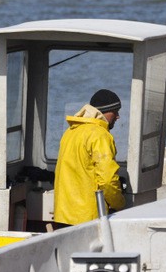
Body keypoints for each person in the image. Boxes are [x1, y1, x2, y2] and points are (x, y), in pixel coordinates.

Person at [53, 89, 125, 226]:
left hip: (62, 215)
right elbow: (108, 180)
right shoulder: (99, 135)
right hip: (87, 219)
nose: (118, 116)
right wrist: (119, 203)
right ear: (104, 112)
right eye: (115, 112)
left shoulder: (70, 132)